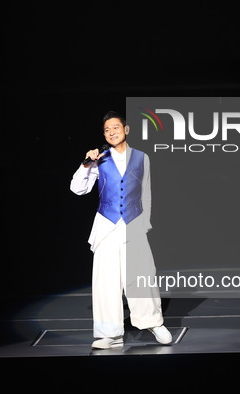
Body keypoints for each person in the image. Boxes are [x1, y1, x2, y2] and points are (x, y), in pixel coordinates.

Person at [69, 110, 172, 349]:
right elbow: (77, 189)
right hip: (107, 224)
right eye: (106, 130)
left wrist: (145, 222)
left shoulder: (142, 157)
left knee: (142, 276)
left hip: (134, 223)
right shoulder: (99, 159)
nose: (111, 132)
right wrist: (86, 164)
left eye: (115, 127)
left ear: (125, 130)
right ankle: (110, 333)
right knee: (106, 280)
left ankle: (153, 322)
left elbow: (146, 192)